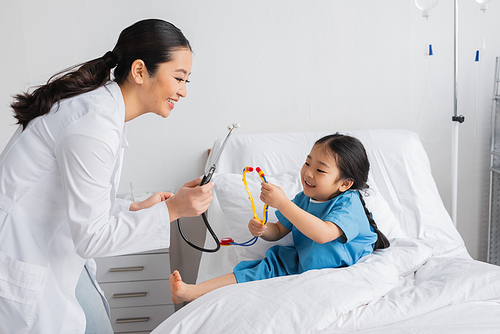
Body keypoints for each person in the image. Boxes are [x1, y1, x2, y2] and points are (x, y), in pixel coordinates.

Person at [0, 19, 213, 334]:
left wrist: (135, 208)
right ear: (139, 71)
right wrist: (173, 210)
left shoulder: (102, 110)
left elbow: (82, 199)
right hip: (23, 256)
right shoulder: (94, 124)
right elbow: (91, 236)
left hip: (50, 249)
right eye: (179, 78)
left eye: (187, 81)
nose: (182, 91)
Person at [170, 133, 390, 303]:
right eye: (307, 163)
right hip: (302, 261)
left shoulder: (349, 203)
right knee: (255, 269)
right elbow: (279, 231)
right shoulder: (303, 199)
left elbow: (323, 234)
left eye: (320, 170)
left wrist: (283, 204)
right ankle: (193, 291)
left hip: (338, 268)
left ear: (345, 183)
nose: (308, 173)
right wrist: (263, 230)